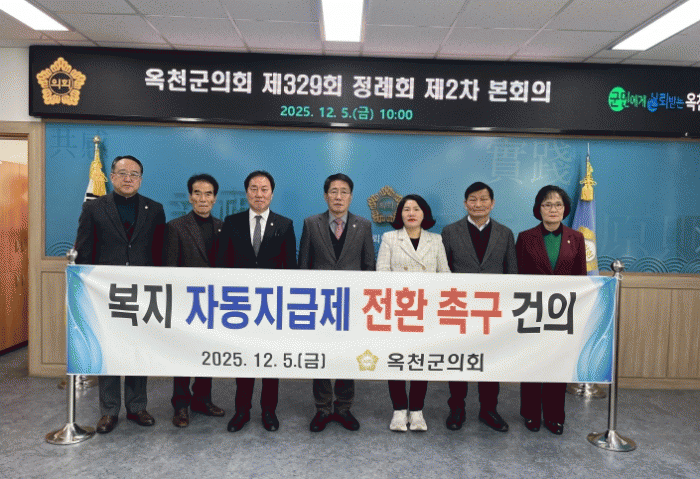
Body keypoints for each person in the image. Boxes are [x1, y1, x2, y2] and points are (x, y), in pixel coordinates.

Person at [74, 155, 165, 434]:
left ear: (141, 179)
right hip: (105, 293)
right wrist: (85, 286)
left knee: (139, 348)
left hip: (143, 292)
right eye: (123, 173)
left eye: (134, 174)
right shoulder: (94, 208)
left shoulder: (155, 209)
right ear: (112, 177)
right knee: (109, 349)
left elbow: (159, 252)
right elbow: (84, 249)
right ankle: (109, 410)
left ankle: (137, 406)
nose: (128, 178)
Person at [216, 170, 297, 432]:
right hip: (240, 306)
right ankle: (242, 411)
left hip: (272, 307)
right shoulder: (232, 222)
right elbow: (222, 263)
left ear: (271, 193)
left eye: (264, 189)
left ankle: (269, 411)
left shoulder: (284, 224)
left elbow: (291, 268)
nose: (259, 194)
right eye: (254, 188)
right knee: (245, 360)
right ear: (246, 192)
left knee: (270, 361)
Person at [298, 173, 375, 433]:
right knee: (320, 355)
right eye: (333, 191)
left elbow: (369, 266)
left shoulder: (363, 225)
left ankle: (343, 407)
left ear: (351, 197)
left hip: (352, 305)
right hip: (319, 305)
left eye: (344, 192)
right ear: (325, 196)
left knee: (347, 355)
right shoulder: (311, 224)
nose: (338, 197)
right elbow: (304, 265)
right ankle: (322, 408)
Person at [441, 181, 517, 433]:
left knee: (490, 360)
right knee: (458, 360)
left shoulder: (505, 233)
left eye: (484, 199)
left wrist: (508, 310)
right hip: (458, 308)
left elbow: (512, 273)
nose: (478, 204)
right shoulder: (450, 232)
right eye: (473, 199)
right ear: (465, 204)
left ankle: (489, 410)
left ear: (492, 204)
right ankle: (457, 409)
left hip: (492, 310)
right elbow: (443, 271)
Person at [516, 185, 586, 435]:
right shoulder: (525, 237)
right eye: (547, 204)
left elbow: (581, 277)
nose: (553, 209)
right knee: (532, 362)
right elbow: (517, 276)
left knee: (558, 364)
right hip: (532, 311)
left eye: (558, 204)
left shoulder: (576, 238)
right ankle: (531, 413)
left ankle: (555, 416)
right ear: (539, 209)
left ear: (565, 209)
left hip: (563, 314)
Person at [376, 194, 449, 432]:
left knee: (421, 359)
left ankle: (417, 410)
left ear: (424, 213)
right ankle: (398, 409)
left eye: (416, 209)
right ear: (400, 214)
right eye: (406, 209)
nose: (411, 213)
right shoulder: (389, 238)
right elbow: (382, 272)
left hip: (426, 309)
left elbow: (445, 274)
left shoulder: (435, 240)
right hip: (398, 309)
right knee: (396, 358)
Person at [164, 174, 226, 427]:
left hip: (213, 304)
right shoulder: (176, 227)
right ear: (190, 197)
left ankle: (202, 399)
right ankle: (181, 404)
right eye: (197, 193)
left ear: (215, 198)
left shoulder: (223, 227)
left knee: (206, 352)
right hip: (185, 304)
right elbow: (169, 269)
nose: (203, 199)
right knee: (183, 354)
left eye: (208, 194)